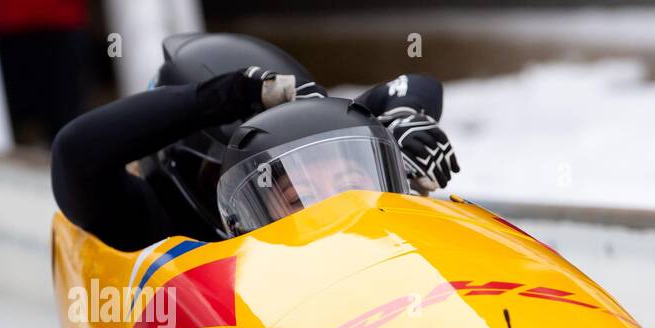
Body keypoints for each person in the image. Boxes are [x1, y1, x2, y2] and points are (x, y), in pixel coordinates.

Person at [51, 32, 457, 251]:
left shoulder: (321, 157)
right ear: (197, 169)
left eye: (349, 181)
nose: (334, 208)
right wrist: (223, 97)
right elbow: (76, 155)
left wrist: (401, 121)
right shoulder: (153, 223)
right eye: (299, 197)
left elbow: (414, 85)